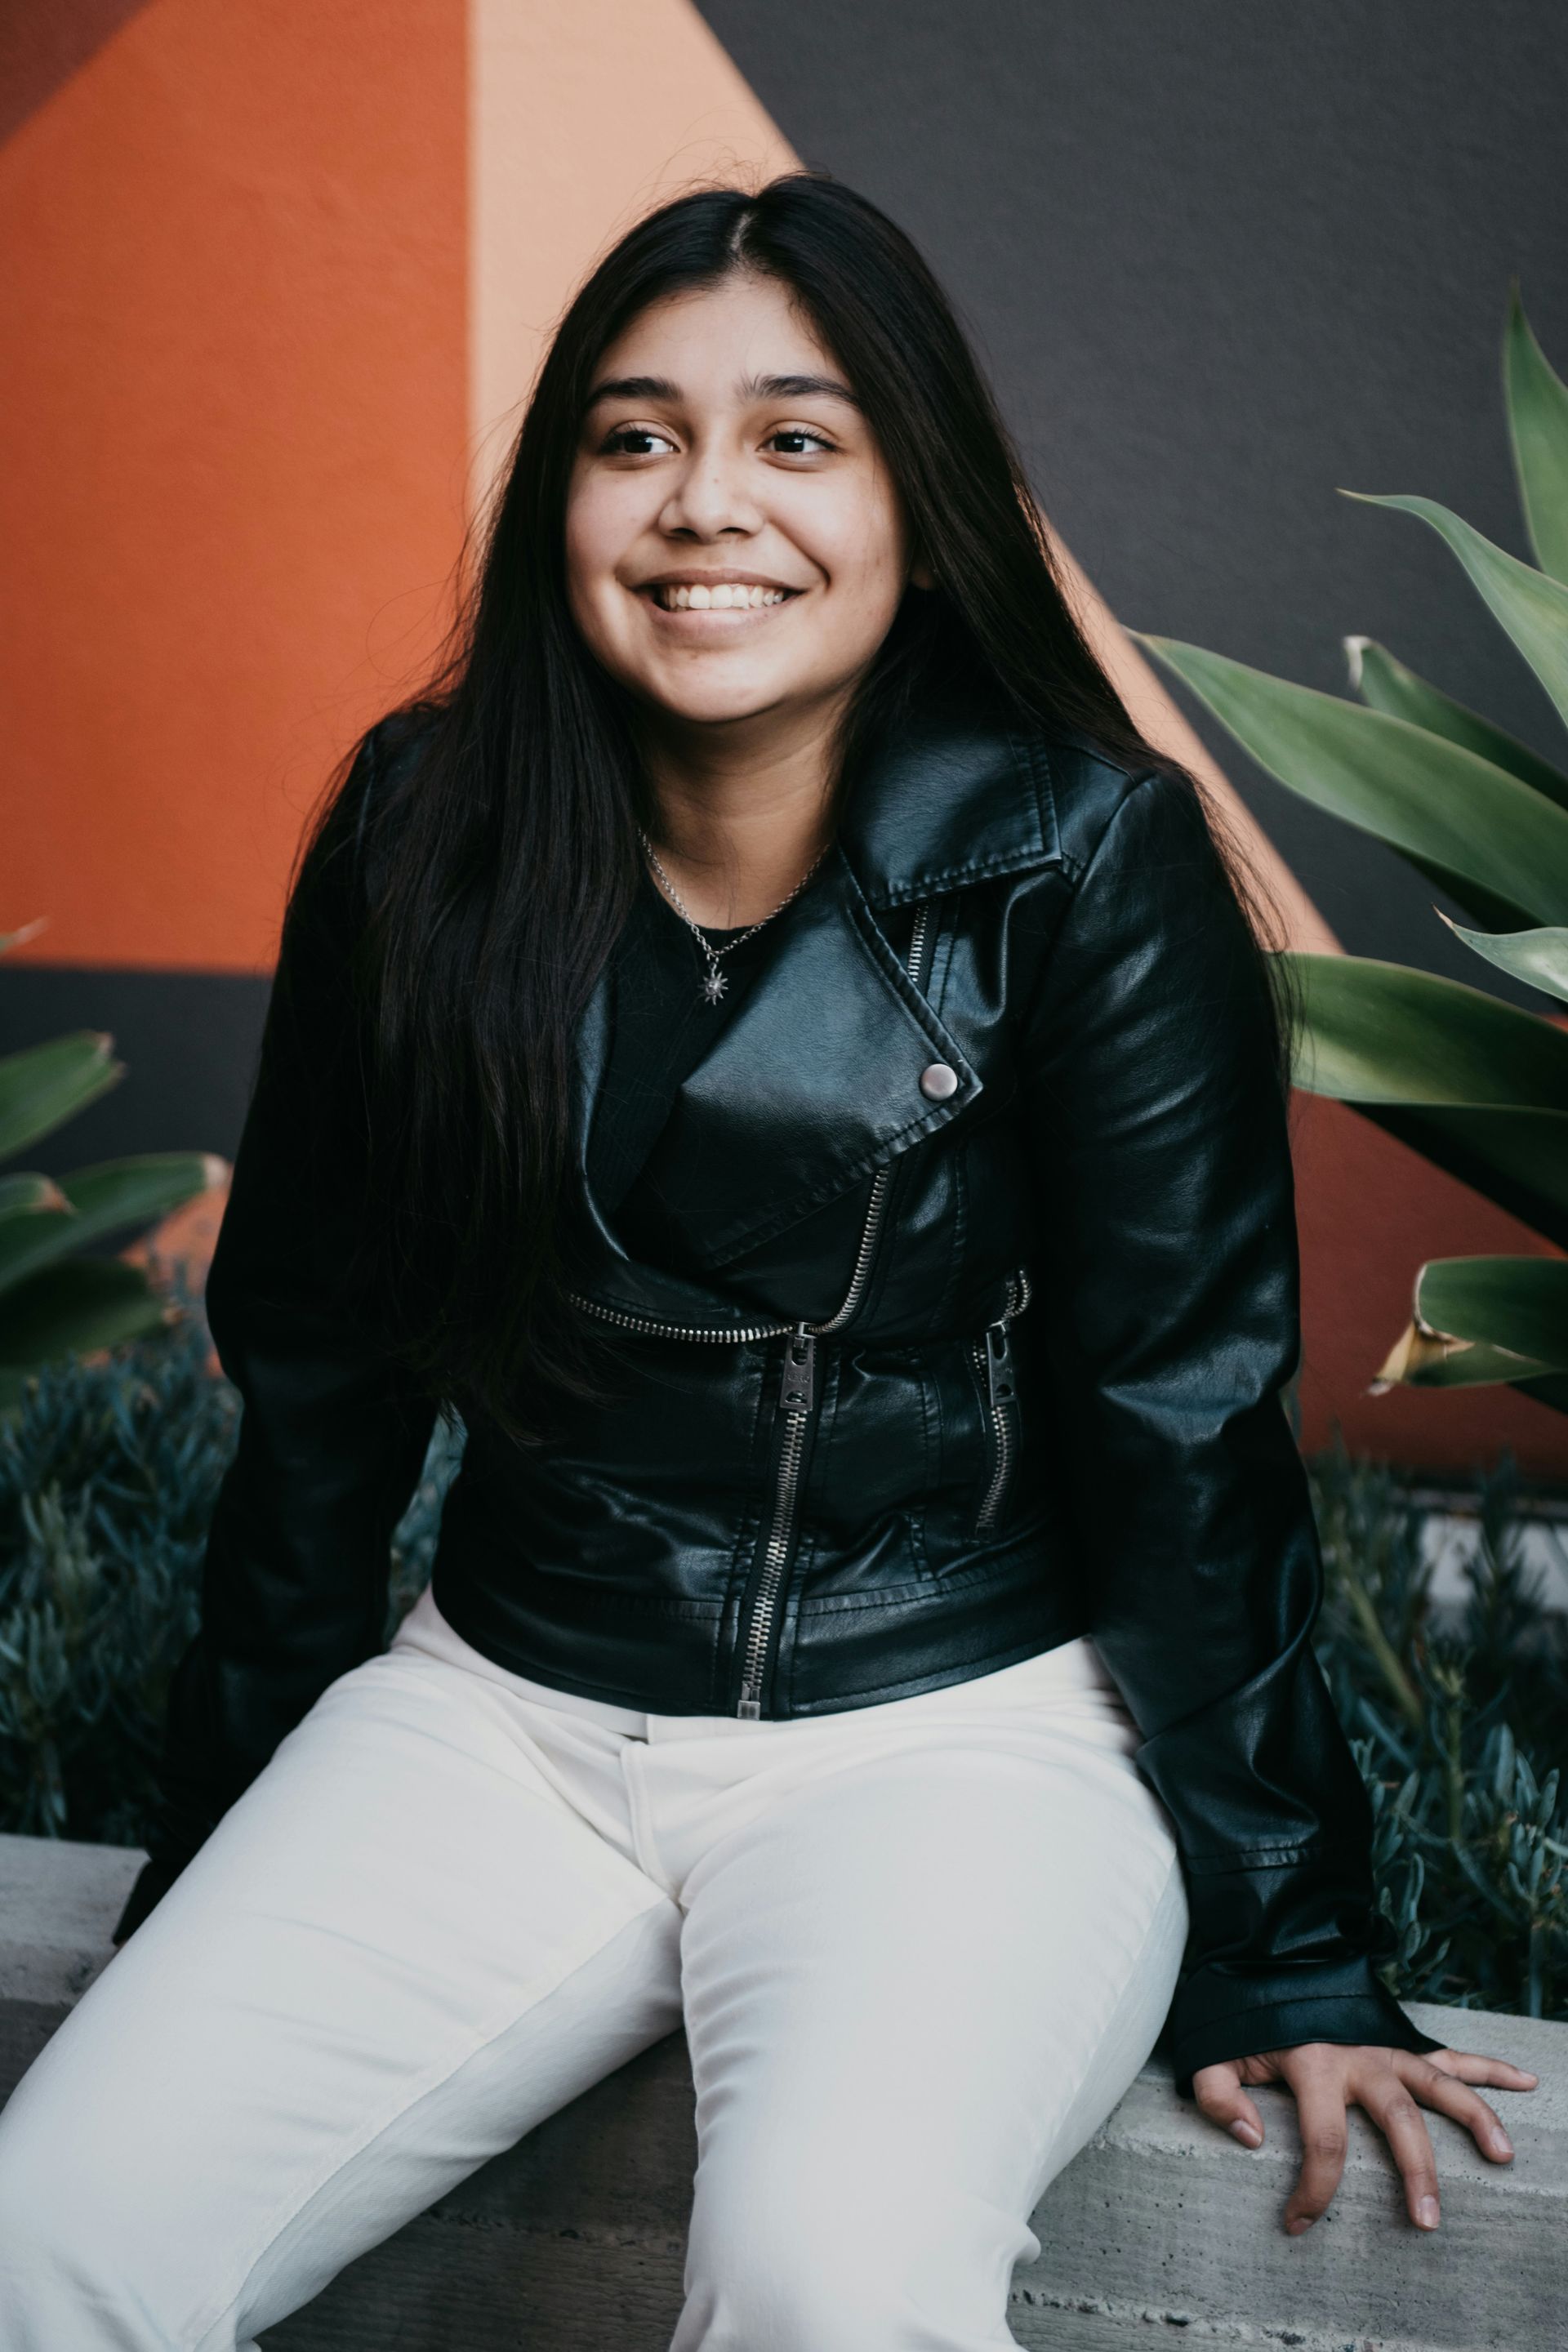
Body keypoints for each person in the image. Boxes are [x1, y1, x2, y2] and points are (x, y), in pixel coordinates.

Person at [0, 172, 1536, 2350]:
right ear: (562, 497)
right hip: (497, 1719)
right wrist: (222, 1857)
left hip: (959, 1744)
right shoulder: (424, 831)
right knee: (46, 2235)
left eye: (796, 440)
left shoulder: (1089, 860)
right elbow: (321, 1381)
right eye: (635, 438)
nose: (705, 505)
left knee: (833, 2289)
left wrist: (1291, 1944)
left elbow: (1180, 1414)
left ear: (923, 500)